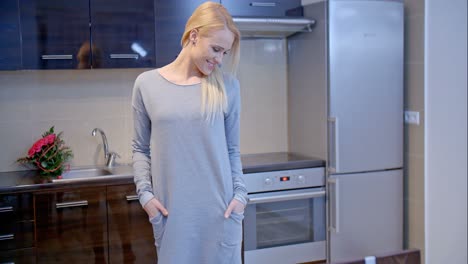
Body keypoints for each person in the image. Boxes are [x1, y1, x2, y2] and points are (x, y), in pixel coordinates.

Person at [131, 2, 247, 264]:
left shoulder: (228, 86)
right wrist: (146, 197)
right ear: (194, 36)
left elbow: (232, 150)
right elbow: (139, 148)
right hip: (173, 218)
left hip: (222, 214)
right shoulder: (147, 84)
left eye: (225, 53)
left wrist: (241, 195)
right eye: (216, 49)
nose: (219, 59)